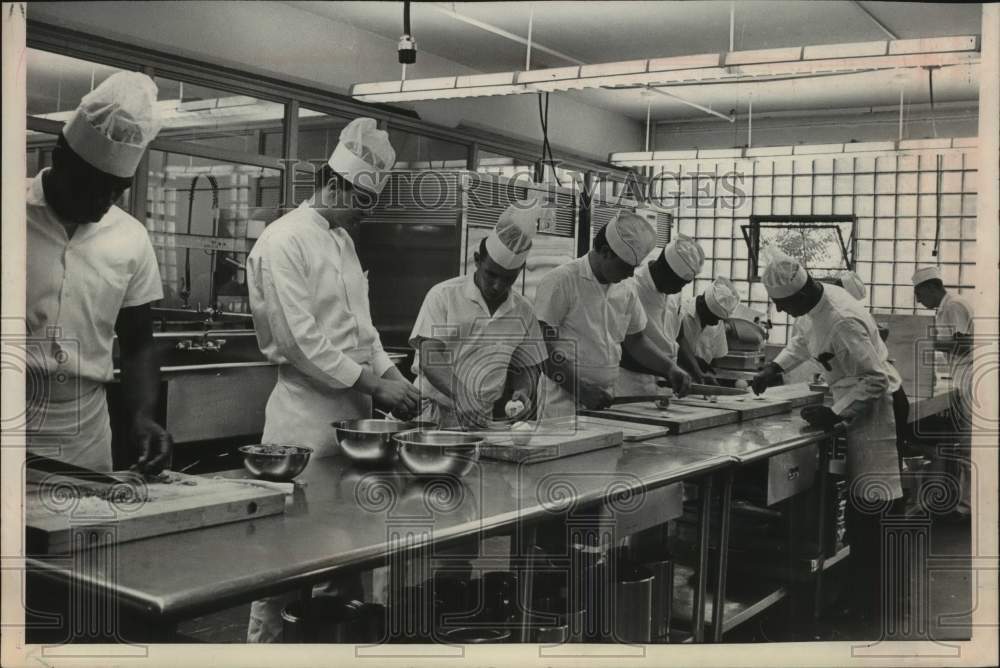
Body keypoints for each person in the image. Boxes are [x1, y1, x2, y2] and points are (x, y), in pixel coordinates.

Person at [245, 117, 419, 642]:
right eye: (361, 202)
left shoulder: (343, 243)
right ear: (336, 183)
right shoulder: (283, 241)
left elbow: (361, 333)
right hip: (302, 428)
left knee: (345, 563)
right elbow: (299, 342)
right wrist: (374, 386)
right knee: (283, 568)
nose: (363, 215)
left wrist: (395, 379)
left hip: (354, 431)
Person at [26, 71, 172, 474]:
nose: (104, 200)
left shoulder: (131, 238)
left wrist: (143, 415)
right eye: (91, 185)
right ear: (58, 156)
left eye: (117, 188)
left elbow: (139, 342)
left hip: (84, 436)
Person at [751, 251, 903, 626]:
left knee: (872, 510)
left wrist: (834, 414)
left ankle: (875, 605)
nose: (782, 312)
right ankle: (862, 593)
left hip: (877, 409)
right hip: (857, 400)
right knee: (860, 512)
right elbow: (804, 341)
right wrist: (775, 367)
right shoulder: (815, 305)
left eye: (782, 305)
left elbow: (875, 379)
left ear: (800, 295)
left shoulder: (842, 320)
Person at [534, 213, 691, 419]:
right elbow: (540, 346)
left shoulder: (626, 289)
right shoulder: (562, 281)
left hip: (605, 399)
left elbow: (636, 341)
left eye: (633, 269)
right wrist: (580, 389)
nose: (629, 275)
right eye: (625, 268)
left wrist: (669, 368)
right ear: (607, 252)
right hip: (562, 401)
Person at [409, 199, 549, 429]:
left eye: (508, 279)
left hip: (480, 419)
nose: (497, 285)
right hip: (429, 414)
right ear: (477, 261)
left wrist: (523, 390)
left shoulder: (523, 311)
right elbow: (430, 358)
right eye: (491, 274)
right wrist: (463, 395)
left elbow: (528, 365)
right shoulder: (444, 295)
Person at [912, 265, 974, 521]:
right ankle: (961, 505)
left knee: (969, 448)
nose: (918, 300)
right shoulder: (946, 307)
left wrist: (924, 340)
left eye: (919, 294)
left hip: (971, 378)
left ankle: (967, 509)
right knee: (961, 447)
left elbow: (965, 343)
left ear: (932, 287)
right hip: (962, 377)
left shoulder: (954, 305)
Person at [616, 235, 706, 395]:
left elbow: (678, 337)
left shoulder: (673, 292)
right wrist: (667, 370)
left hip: (668, 384)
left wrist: (697, 372)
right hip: (630, 386)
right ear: (662, 268)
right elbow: (622, 349)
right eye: (678, 283)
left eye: (684, 285)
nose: (679, 290)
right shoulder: (630, 288)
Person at [675, 276, 740, 385]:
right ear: (702, 305)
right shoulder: (680, 312)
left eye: (719, 319)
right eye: (713, 318)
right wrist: (697, 366)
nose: (716, 323)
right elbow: (670, 351)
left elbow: (716, 360)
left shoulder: (717, 323)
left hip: (701, 385)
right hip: (675, 381)